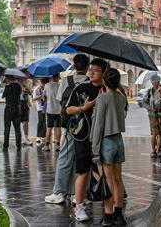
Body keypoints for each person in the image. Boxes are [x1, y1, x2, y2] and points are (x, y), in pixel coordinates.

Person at [44, 53, 89, 205]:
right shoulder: (92, 82)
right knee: (82, 159)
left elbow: (60, 101)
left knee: (64, 158)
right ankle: (80, 194)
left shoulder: (66, 81)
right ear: (88, 67)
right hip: (87, 127)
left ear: (75, 67)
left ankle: (59, 192)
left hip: (70, 126)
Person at [66, 58, 107, 223]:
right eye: (91, 69)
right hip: (83, 135)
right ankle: (79, 206)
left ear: (104, 73)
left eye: (96, 70)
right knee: (83, 171)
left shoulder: (108, 89)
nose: (91, 72)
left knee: (105, 170)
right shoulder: (81, 88)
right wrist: (84, 107)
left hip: (103, 135)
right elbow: (68, 109)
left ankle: (108, 206)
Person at [91, 69, 127, 226]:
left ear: (105, 81)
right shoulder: (121, 97)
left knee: (107, 181)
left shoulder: (102, 99)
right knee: (118, 179)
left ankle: (108, 215)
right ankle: (119, 214)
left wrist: (94, 147)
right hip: (119, 140)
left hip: (105, 141)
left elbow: (98, 125)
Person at [143, 75, 161, 158]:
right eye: (155, 82)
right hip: (152, 115)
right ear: (152, 82)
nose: (157, 83)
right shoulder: (149, 92)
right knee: (154, 133)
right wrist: (150, 108)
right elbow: (144, 102)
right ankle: (153, 150)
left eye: (158, 81)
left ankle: (159, 150)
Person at [3, 74, 22, 151]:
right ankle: (18, 145)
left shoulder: (7, 87)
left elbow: (3, 95)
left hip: (8, 108)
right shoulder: (18, 86)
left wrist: (7, 86)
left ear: (8, 79)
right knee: (17, 128)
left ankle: (5, 146)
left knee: (7, 128)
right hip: (17, 108)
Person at [43, 74, 62, 151]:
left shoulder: (47, 85)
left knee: (49, 128)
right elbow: (61, 98)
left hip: (49, 110)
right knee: (58, 127)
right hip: (58, 110)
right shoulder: (60, 85)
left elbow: (44, 97)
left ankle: (47, 146)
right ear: (57, 77)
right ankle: (57, 145)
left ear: (51, 77)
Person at [33, 80, 47, 145]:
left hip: (45, 107)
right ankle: (38, 136)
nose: (43, 85)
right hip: (40, 107)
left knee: (44, 121)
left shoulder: (45, 88)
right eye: (42, 83)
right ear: (39, 83)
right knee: (41, 121)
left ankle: (43, 135)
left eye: (44, 83)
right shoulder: (36, 89)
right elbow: (34, 98)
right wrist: (40, 96)